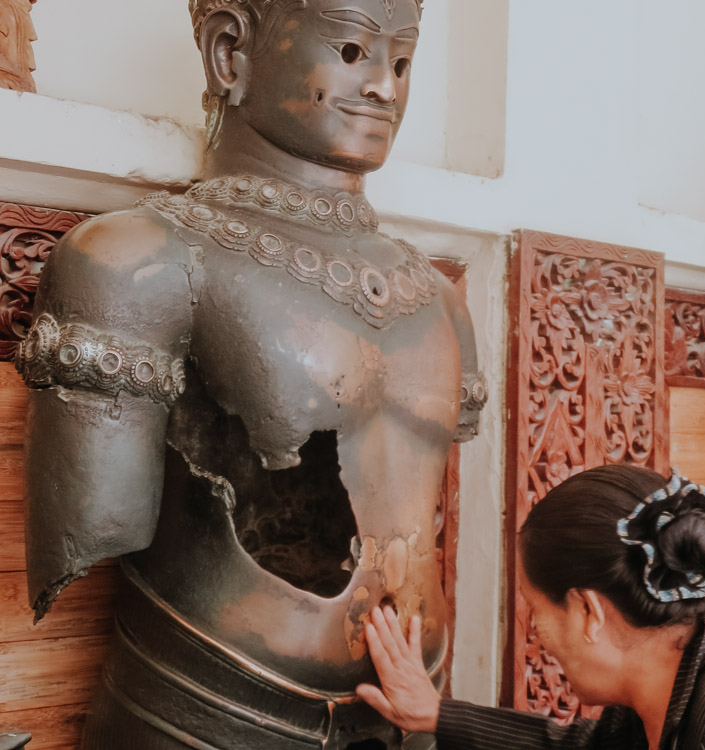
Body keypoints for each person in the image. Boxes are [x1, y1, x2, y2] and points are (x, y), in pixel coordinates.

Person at [15, 0, 484, 747]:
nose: (387, 90)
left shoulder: (437, 296)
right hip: (208, 709)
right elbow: (90, 522)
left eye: (402, 62)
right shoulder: (142, 260)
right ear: (229, 51)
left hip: (413, 708)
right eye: (355, 51)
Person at [357, 465, 705, 749]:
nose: (536, 636)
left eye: (536, 611)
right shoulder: (657, 705)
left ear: (589, 613)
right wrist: (435, 714)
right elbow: (573, 749)